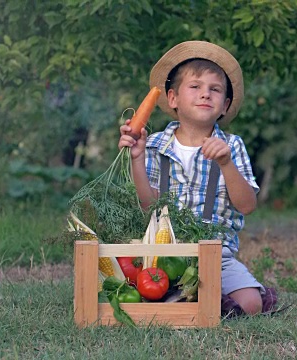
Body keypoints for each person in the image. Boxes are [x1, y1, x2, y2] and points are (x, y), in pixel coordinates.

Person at [118, 41, 276, 316]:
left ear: (225, 105)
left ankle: (201, 300)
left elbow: (247, 205)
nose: (205, 94)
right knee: (144, 290)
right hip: (162, 255)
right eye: (195, 87)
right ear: (172, 98)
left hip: (217, 257)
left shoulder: (232, 146)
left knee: (251, 304)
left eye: (214, 90)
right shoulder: (154, 145)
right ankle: (200, 302)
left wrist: (225, 163)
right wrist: (137, 160)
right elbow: (147, 207)